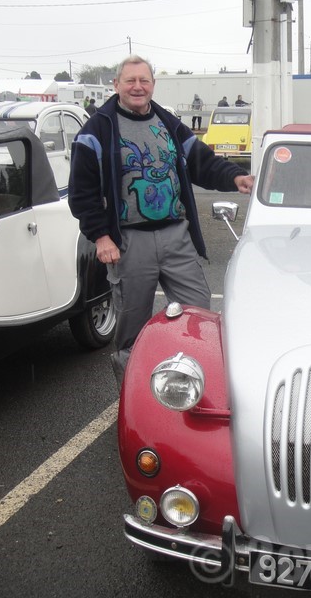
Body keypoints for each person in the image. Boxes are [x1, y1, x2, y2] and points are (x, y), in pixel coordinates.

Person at [68, 55, 254, 386]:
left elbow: (202, 161)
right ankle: (133, 395)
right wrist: (101, 237)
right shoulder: (96, 132)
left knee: (197, 314)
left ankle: (191, 386)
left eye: (144, 80)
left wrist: (235, 177)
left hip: (176, 236)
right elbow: (82, 194)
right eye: (130, 81)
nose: (137, 87)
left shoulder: (167, 122)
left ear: (153, 84)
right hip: (128, 242)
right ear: (117, 85)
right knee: (133, 327)